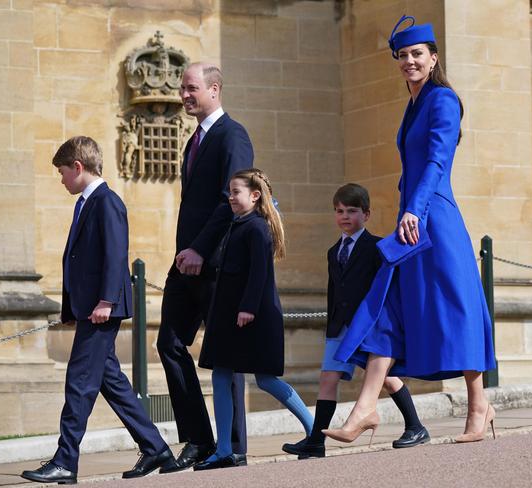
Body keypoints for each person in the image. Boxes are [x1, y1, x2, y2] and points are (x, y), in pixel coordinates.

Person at [323, 15, 497, 446]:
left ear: (433, 57)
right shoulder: (413, 103)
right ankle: (365, 409)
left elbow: (437, 162)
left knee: (458, 311)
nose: (409, 61)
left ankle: (479, 407)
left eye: (417, 54)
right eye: (402, 56)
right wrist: (408, 210)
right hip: (414, 218)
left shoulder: (442, 100)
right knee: (385, 308)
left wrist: (414, 211)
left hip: (434, 220)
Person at [21, 136, 176, 485]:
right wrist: (72, 307)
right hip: (91, 308)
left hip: (101, 309)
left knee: (78, 383)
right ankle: (156, 449)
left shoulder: (106, 202)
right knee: (112, 383)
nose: (61, 180)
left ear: (78, 167)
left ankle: (65, 461)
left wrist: (106, 301)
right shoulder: (86, 203)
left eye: (62, 172)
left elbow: (115, 253)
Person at [282, 183, 429, 459]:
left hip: (368, 325)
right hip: (340, 326)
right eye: (339, 211)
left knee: (385, 378)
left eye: (351, 210)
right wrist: (330, 328)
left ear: (366, 215)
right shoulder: (332, 252)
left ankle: (415, 426)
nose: (344, 216)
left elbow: (385, 289)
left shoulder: (376, 248)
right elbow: (333, 292)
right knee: (328, 378)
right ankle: (316, 441)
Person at [156, 62, 253, 472]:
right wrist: (185, 253)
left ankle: (232, 448)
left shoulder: (233, 135)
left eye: (191, 88)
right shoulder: (194, 140)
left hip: (216, 263)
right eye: (183, 89)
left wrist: (199, 249)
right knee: (169, 344)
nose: (184, 95)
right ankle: (198, 440)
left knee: (224, 353)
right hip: (187, 264)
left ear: (215, 89)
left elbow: (231, 200)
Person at [195, 169, 313, 470]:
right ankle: (223, 450)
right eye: (230, 192)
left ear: (254, 195)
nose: (230, 197)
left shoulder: (257, 228)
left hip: (250, 317)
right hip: (227, 316)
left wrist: (247, 308)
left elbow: (260, 273)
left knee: (266, 379)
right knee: (220, 376)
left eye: (236, 192)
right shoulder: (238, 224)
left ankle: (315, 431)